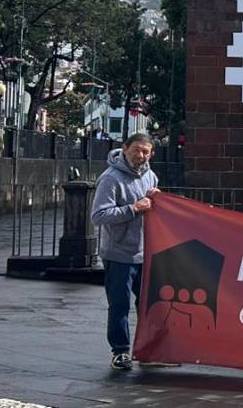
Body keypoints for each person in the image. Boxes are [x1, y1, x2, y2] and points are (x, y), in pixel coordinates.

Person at [90, 133, 161, 370]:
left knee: (149, 306)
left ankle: (149, 350)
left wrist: (157, 200)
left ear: (151, 154)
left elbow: (152, 206)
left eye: (145, 151)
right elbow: (99, 215)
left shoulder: (150, 175)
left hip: (145, 252)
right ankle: (120, 351)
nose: (140, 155)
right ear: (124, 149)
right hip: (119, 253)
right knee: (119, 305)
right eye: (136, 150)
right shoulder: (110, 179)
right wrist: (133, 208)